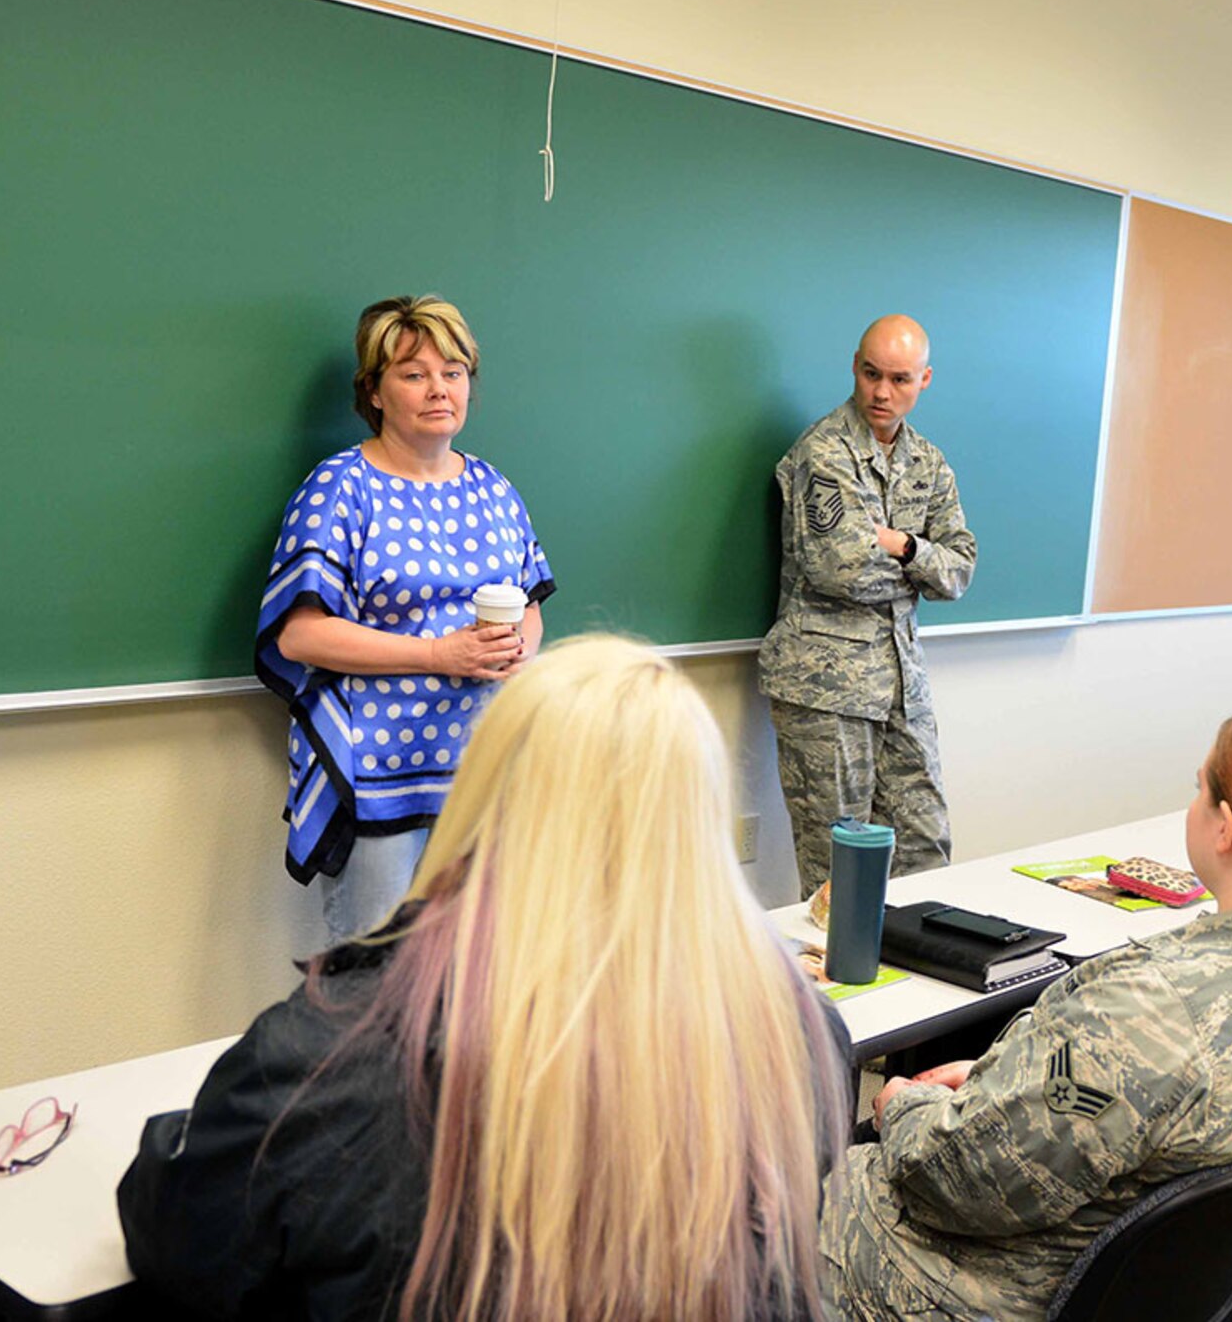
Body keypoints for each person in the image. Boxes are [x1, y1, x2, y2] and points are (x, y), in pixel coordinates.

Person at [119, 636, 852, 1322]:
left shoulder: (329, 1068)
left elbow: (180, 1243)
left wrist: (184, 1133)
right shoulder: (801, 1040)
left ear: (486, 796)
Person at [820, 706, 1232, 1321]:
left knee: (758, 1196)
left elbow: (958, 1184)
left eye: (1200, 788)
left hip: (992, 1286)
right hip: (1163, 1290)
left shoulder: (1146, 1009)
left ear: (1225, 827)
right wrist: (1004, 1074)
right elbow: (1126, 1099)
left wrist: (901, 1104)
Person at [256, 295, 554, 945]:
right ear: (375, 392)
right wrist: (437, 655)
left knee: (476, 971)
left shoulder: (493, 489)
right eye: (414, 374)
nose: (438, 389)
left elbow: (530, 601)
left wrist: (520, 651)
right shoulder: (339, 488)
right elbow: (299, 634)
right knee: (375, 979)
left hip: (483, 768)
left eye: (453, 371)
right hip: (378, 778)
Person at [759, 314, 978, 899]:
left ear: (924, 379)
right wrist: (918, 569)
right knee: (840, 875)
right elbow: (841, 569)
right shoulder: (823, 453)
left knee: (925, 852)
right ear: (855, 366)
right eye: (871, 374)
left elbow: (960, 570)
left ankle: (922, 987)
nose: (882, 392)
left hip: (902, 685)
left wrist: (903, 544)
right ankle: (838, 993)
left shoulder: (928, 463)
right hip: (826, 689)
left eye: (900, 379)